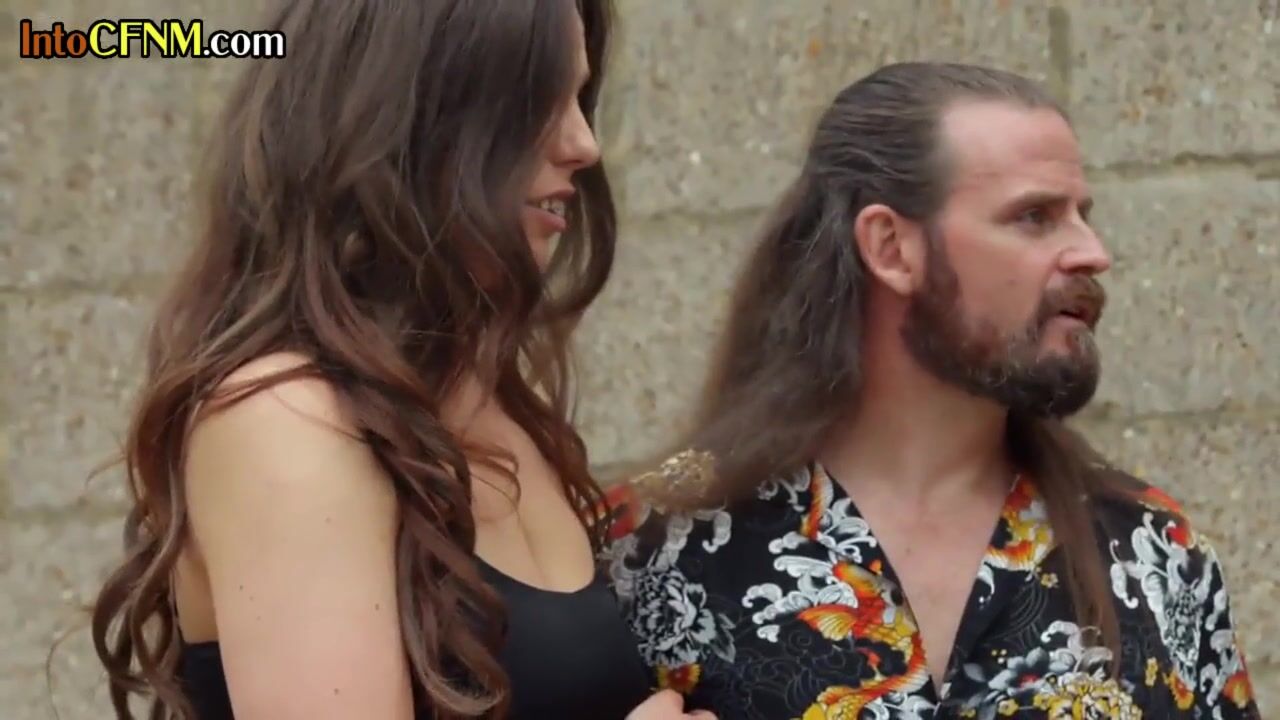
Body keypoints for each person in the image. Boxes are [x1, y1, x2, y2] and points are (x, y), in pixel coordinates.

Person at [88, 1, 711, 718]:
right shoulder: (284, 419)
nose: (584, 144)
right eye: (538, 97)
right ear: (410, 111)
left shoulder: (493, 406)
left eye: (580, 98)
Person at [602, 62, 1261, 719]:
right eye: (1035, 216)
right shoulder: (658, 547)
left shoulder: (1152, 554)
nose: (1092, 252)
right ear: (891, 248)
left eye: (1082, 216)